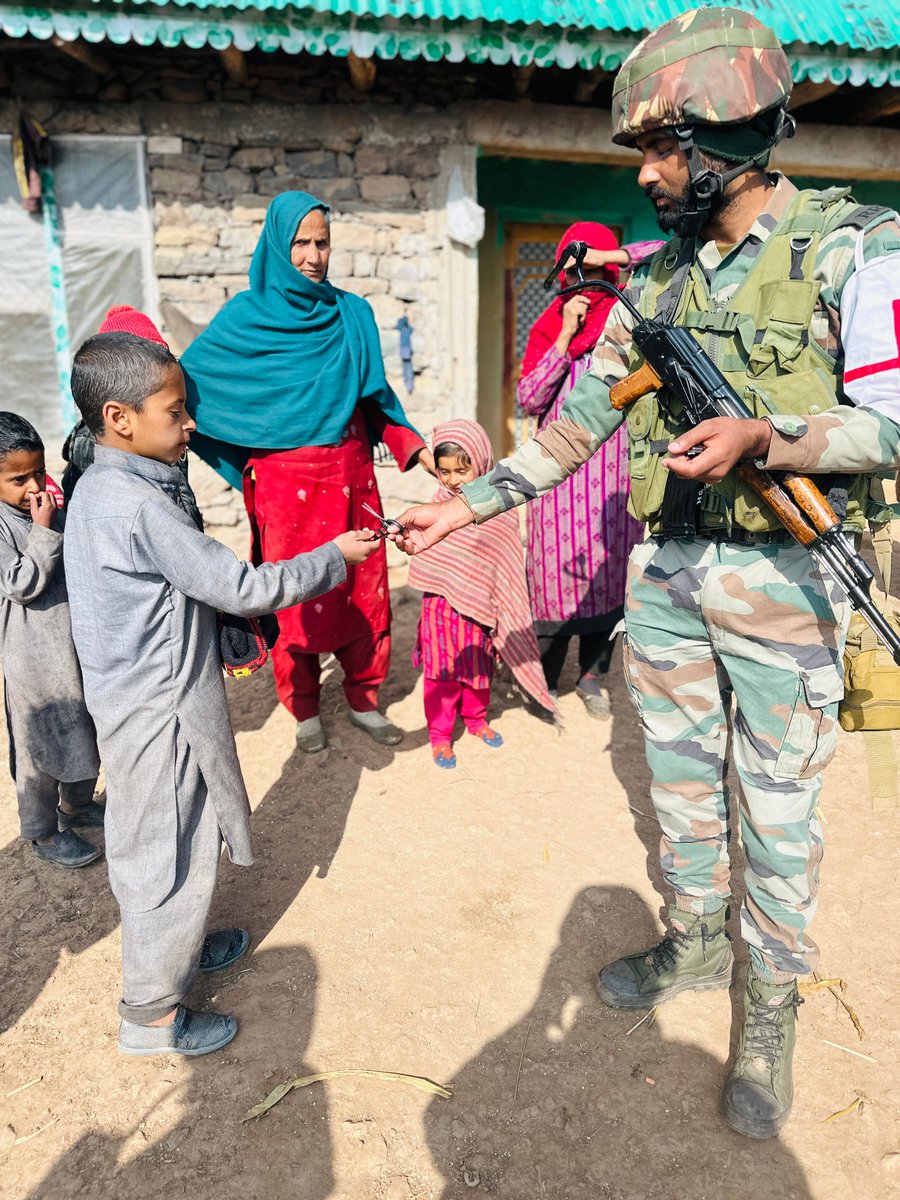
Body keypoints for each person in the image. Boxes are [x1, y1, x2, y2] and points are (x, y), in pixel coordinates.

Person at [389, 6, 900, 1138]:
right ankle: (694, 943)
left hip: (790, 583)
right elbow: (571, 430)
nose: (655, 171)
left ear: (738, 136)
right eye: (647, 152)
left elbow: (894, 423)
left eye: (670, 148)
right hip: (667, 581)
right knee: (679, 797)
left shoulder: (857, 249)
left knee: (776, 815)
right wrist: (461, 505)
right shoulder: (654, 284)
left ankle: (768, 1014)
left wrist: (770, 438)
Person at [64, 330, 381, 1056]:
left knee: (179, 827)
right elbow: (238, 587)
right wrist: (332, 556)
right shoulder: (135, 505)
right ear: (121, 419)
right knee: (160, 848)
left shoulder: (108, 485)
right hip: (156, 708)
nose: (189, 424)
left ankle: (181, 948)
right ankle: (149, 1016)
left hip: (142, 697)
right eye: (175, 412)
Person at [180, 192, 434, 754]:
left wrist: (417, 450)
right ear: (277, 244)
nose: (314, 255)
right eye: (301, 242)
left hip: (352, 478)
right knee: (291, 595)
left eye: (322, 243)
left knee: (361, 594)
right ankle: (303, 708)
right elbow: (187, 387)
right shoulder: (243, 321)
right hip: (284, 490)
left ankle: (364, 700)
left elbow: (378, 405)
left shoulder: (354, 314)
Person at [518, 224, 656, 716]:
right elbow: (529, 397)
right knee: (553, 580)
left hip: (614, 482)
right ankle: (546, 678)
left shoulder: (627, 323)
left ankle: (593, 676)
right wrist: (564, 336)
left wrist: (603, 252)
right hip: (559, 482)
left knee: (610, 574)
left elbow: (661, 249)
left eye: (596, 271)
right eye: (575, 270)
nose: (585, 281)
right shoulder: (548, 326)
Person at [408, 420, 554, 768]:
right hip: (440, 609)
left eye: (463, 469)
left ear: (482, 460)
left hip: (478, 612)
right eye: (445, 472)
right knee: (441, 673)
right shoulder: (437, 505)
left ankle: (475, 720)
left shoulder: (497, 509)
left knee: (478, 668)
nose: (455, 480)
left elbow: (503, 568)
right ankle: (440, 736)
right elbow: (428, 558)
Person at [0, 413, 102, 869]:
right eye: (17, 478)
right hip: (31, 662)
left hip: (69, 648)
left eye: (38, 472)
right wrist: (43, 530)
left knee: (84, 728)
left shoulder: (45, 508)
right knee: (38, 749)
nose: (32, 486)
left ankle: (77, 805)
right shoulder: (10, 525)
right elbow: (21, 583)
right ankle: (41, 833)